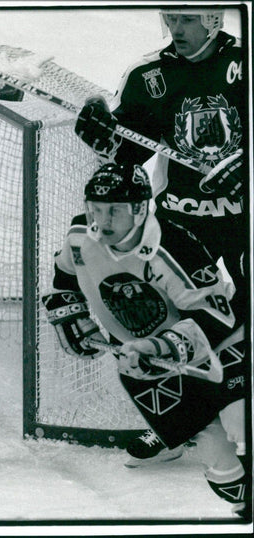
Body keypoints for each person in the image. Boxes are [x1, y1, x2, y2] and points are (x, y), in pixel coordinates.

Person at [73, 7, 248, 467]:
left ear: (213, 18)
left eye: (187, 19)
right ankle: (177, 424)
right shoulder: (149, 74)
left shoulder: (245, 64)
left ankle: (237, 423)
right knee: (160, 324)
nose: (176, 29)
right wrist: (105, 139)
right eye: (170, 18)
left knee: (240, 324)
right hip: (181, 225)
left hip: (245, 222)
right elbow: (130, 150)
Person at [42, 162, 249, 518]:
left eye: (114, 211)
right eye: (96, 209)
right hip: (154, 361)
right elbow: (65, 273)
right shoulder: (80, 235)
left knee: (241, 427)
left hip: (220, 347)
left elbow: (217, 317)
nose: (102, 221)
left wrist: (157, 346)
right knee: (223, 470)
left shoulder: (174, 247)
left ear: (140, 209)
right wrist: (69, 311)